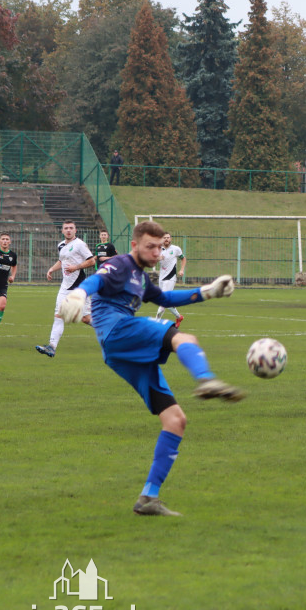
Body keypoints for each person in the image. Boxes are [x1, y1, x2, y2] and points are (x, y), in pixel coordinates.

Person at [58, 220, 243, 516]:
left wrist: (208, 291)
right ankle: (206, 379)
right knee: (183, 337)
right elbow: (95, 280)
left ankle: (148, 498)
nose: (157, 252)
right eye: (150, 246)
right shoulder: (120, 264)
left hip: (121, 353)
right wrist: (79, 294)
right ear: (135, 245)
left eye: (160, 247)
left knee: (175, 420)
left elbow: (166, 298)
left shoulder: (141, 279)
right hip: (119, 332)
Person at [35, 221, 96, 358]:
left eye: (71, 228)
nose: (68, 230)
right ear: (62, 231)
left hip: (79, 287)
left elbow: (92, 261)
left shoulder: (80, 244)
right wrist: (51, 269)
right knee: (58, 315)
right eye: (66, 228)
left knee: (86, 319)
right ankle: (52, 347)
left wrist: (76, 267)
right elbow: (62, 260)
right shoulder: (61, 245)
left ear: (75, 230)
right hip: (65, 287)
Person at [154, 233, 187, 327]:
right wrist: (157, 259)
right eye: (164, 238)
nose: (166, 239)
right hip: (162, 278)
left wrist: (181, 270)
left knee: (162, 301)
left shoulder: (176, 249)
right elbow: (151, 261)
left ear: (171, 239)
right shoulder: (158, 249)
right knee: (166, 301)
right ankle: (179, 317)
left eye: (168, 238)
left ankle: (156, 323)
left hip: (171, 277)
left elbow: (183, 258)